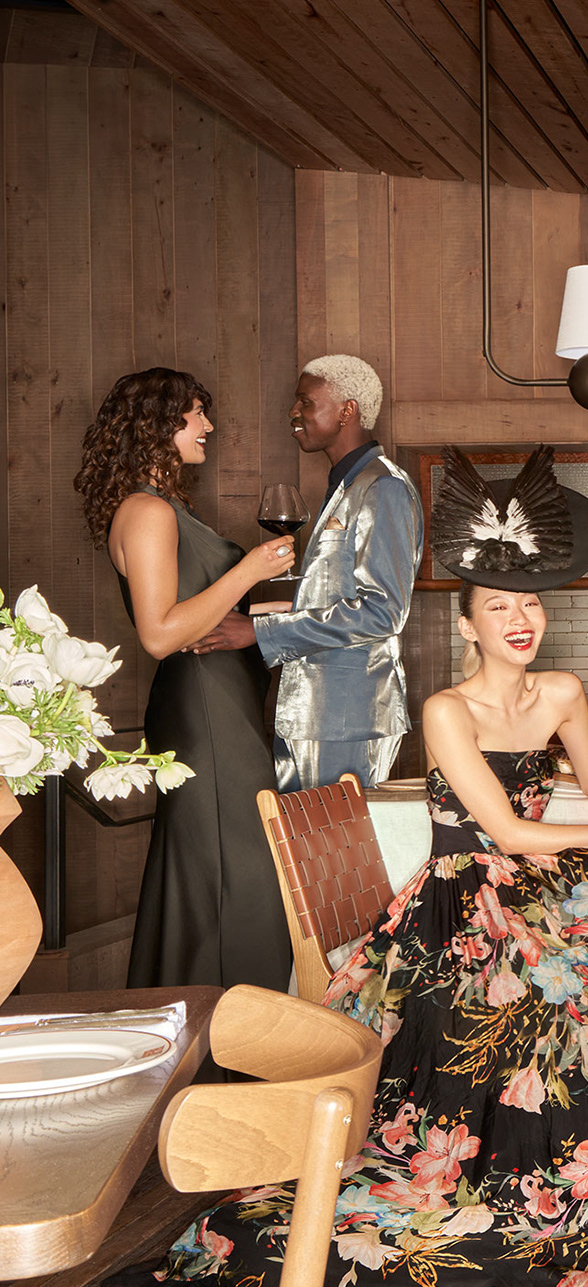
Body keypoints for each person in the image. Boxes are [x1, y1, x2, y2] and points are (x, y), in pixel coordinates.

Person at [137, 449, 588, 1287]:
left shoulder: (560, 692)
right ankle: (578, 1156)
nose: (520, 619)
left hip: (533, 889)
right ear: (468, 626)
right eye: (498, 607)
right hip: (463, 902)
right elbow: (510, 832)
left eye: (528, 603)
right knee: (567, 989)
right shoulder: (446, 710)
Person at [72, 368, 297, 991]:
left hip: (222, 702)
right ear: (158, 423)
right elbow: (160, 633)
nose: (209, 426)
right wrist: (250, 569)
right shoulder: (146, 511)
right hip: (204, 709)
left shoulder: (165, 508)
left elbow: (210, 613)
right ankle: (235, 1030)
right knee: (240, 872)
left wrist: (297, 614)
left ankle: (209, 1020)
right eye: (197, 413)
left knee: (218, 872)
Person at [193, 354, 425, 791]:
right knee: (300, 834)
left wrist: (260, 633)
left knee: (337, 836)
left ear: (347, 410)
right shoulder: (346, 485)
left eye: (305, 401)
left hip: (347, 719)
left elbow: (382, 612)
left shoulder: (384, 487)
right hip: (313, 715)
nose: (293, 412)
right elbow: (333, 595)